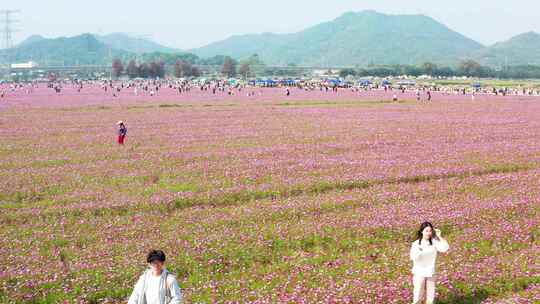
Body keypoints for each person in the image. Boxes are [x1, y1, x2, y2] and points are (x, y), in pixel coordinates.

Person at [410, 222, 449, 304]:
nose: (429, 233)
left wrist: (439, 236)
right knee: (418, 296)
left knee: (430, 297)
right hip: (419, 272)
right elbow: (413, 257)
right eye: (426, 231)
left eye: (430, 231)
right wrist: (420, 251)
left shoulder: (434, 242)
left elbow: (445, 248)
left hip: (431, 272)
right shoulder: (416, 244)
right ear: (421, 231)